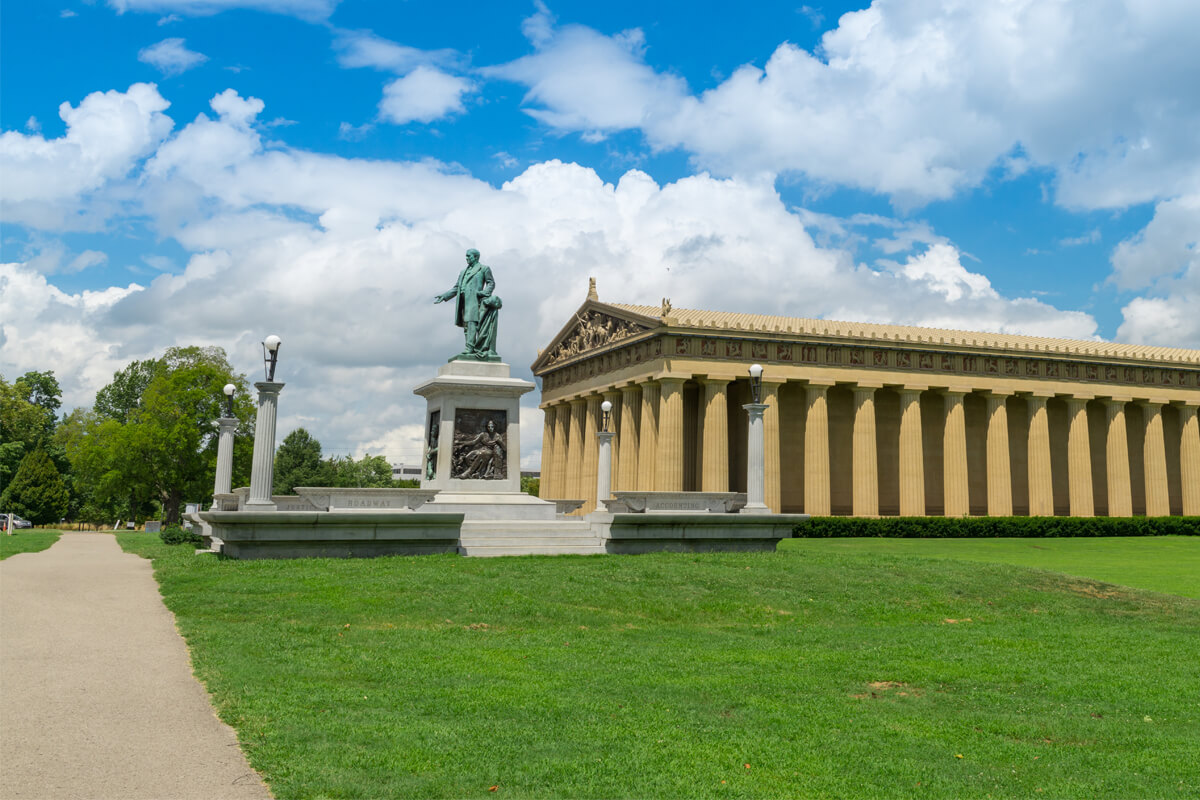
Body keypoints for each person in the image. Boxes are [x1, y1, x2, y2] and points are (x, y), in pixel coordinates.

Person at [434, 248, 502, 361]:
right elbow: (456, 288)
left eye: (468, 256)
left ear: (475, 257)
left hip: (475, 299)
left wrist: (484, 293)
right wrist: (444, 296)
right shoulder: (462, 272)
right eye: (466, 256)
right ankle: (469, 347)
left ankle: (469, 348)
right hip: (463, 301)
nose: (466, 258)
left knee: (471, 322)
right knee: (466, 325)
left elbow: (491, 283)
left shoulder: (483, 269)